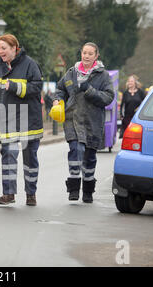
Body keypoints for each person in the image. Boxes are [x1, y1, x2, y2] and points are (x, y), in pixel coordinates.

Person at [0, 34, 43, 206]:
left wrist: (13, 86)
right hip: (8, 120)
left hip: (29, 120)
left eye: (4, 48)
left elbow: (36, 87)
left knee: (30, 159)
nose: (1, 52)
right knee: (8, 157)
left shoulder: (30, 64)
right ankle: (8, 194)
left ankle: (31, 194)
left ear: (14, 48)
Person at [53, 42, 114, 203]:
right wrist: (58, 99)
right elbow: (60, 89)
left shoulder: (103, 76)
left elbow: (109, 97)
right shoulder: (71, 73)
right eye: (84, 53)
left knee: (89, 156)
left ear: (96, 56)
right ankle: (73, 188)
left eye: (90, 53)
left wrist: (89, 90)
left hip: (93, 121)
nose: (86, 56)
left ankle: (87, 191)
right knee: (75, 149)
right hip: (72, 118)